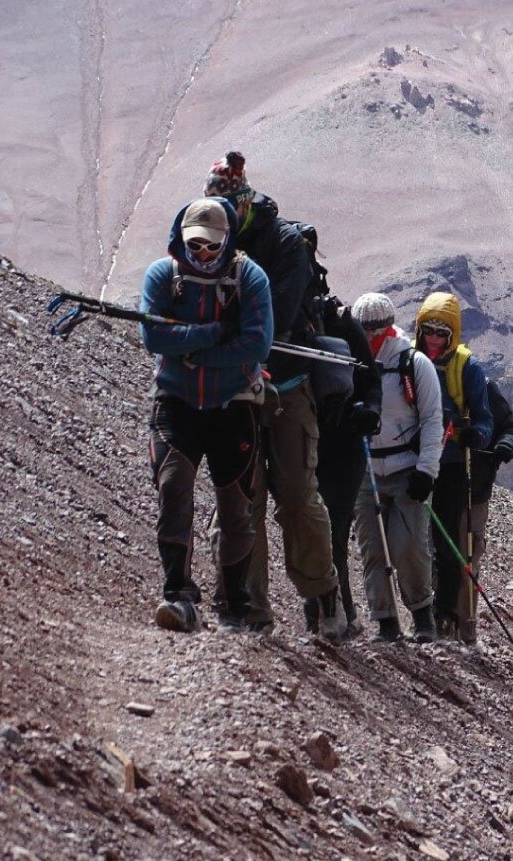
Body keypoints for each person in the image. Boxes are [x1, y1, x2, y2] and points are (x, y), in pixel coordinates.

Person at [203, 151, 345, 641]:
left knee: (297, 498)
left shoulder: (285, 243)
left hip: (285, 388)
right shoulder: (204, 240)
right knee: (241, 498)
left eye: (226, 212)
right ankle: (245, 606)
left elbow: (276, 318)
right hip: (232, 390)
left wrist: (222, 330)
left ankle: (324, 596)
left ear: (244, 203)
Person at [140, 197, 273, 633]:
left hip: (234, 406)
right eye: (194, 245)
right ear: (182, 238)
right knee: (173, 487)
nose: (202, 254)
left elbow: (256, 345)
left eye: (211, 247)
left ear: (227, 241)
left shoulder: (250, 278)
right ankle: (176, 591)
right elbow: (153, 335)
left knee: (235, 505)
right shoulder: (163, 275)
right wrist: (212, 336)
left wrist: (191, 353)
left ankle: (234, 601)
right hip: (176, 402)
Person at [352, 293, 444, 642]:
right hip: (366, 468)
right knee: (372, 547)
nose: (370, 337)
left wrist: (427, 471)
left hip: (407, 468)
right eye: (364, 331)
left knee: (408, 546)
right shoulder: (352, 360)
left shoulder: (413, 364)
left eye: (376, 330)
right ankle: (386, 622)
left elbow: (433, 420)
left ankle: (422, 616)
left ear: (389, 328)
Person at [413, 292, 493, 643]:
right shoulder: (409, 360)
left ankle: (443, 616)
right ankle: (418, 611)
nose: (433, 338)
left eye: (440, 332)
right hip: (412, 462)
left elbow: (486, 419)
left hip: (451, 465)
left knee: (446, 546)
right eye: (428, 330)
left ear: (453, 334)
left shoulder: (467, 368)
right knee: (413, 542)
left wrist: (477, 434)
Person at [311, 295, 382, 638]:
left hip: (342, 443)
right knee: (307, 524)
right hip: (299, 436)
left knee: (335, 529)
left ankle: (339, 612)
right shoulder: (275, 312)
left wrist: (367, 410)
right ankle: (323, 608)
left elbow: (370, 380)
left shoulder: (338, 321)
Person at [461, 379, 513, 644]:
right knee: (437, 553)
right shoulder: (426, 376)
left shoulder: (482, 386)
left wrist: (506, 445)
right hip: (436, 487)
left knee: (469, 555)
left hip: (475, 492)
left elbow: (511, 429)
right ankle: (434, 619)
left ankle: (465, 626)